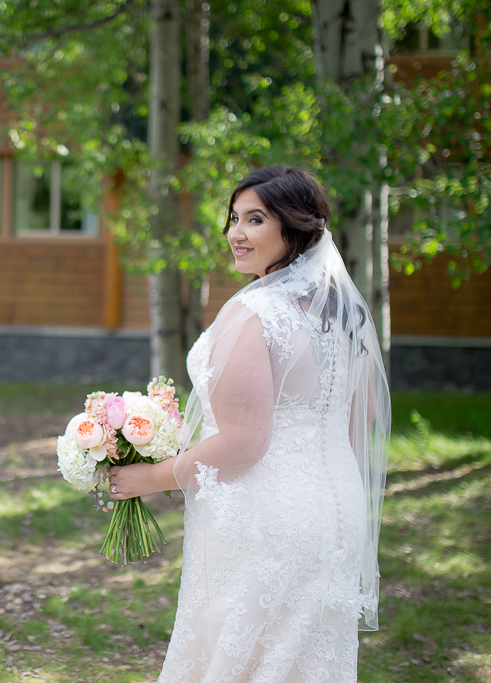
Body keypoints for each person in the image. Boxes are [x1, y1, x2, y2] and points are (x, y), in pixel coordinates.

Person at [108, 166, 391, 681]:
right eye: (234, 219)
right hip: (335, 511)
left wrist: (144, 478)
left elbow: (243, 444)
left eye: (255, 219)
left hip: (264, 516)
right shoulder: (342, 316)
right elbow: (362, 417)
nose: (236, 233)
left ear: (296, 227)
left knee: (240, 658)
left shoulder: (255, 312)